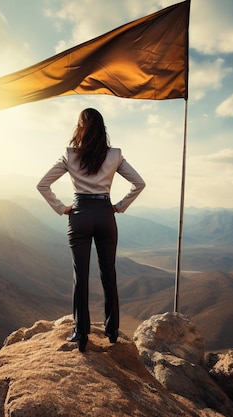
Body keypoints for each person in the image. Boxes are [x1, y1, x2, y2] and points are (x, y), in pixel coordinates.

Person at [37, 108, 145, 352]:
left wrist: (61, 208)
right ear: (102, 128)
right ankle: (112, 331)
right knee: (109, 273)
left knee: (81, 275)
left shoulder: (69, 155)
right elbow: (139, 183)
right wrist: (119, 206)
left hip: (80, 214)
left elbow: (42, 184)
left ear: (80, 128)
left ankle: (81, 332)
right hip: (106, 214)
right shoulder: (115, 155)